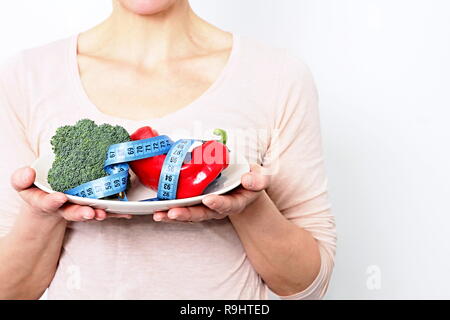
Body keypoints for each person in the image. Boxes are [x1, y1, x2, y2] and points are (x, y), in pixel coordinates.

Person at [0, 0, 336, 299]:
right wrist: (42, 212)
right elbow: (10, 292)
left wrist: (247, 205)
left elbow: (306, 285)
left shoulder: (276, 75)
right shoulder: (27, 76)